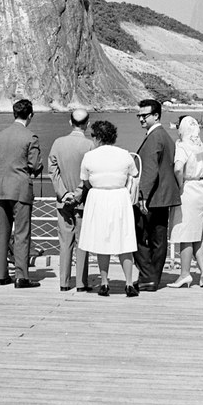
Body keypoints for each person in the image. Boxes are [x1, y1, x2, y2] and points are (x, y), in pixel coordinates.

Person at [77, 120, 139, 297]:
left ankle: (104, 283)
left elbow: (85, 181)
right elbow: (134, 175)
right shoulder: (124, 154)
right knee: (124, 241)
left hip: (98, 197)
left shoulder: (89, 156)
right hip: (119, 197)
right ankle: (129, 283)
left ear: (97, 137)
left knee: (101, 241)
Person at [0, 98, 43, 289]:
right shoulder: (31, 137)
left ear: (14, 114)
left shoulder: (0, 136)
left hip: (0, 188)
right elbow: (35, 165)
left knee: (1, 233)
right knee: (22, 233)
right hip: (20, 189)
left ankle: (2, 275)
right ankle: (21, 276)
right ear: (30, 115)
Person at [133, 99, 182, 291]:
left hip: (152, 197)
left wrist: (142, 196)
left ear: (156, 115)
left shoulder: (154, 137)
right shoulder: (165, 136)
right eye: (139, 115)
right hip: (164, 197)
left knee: (138, 236)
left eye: (145, 115)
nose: (141, 119)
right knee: (158, 239)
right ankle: (153, 278)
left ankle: (147, 276)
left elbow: (150, 169)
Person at [47, 108, 95, 292]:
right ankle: (81, 283)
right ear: (87, 124)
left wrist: (63, 193)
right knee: (82, 242)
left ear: (70, 122)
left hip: (63, 201)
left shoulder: (58, 143)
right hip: (83, 201)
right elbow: (90, 174)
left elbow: (52, 170)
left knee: (65, 242)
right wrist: (78, 193)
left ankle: (64, 282)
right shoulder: (90, 145)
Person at [167, 117, 203, 289]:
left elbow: (178, 168)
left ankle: (185, 274)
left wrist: (179, 185)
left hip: (187, 189)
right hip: (200, 189)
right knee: (197, 235)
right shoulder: (202, 148)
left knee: (185, 235)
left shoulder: (182, 146)